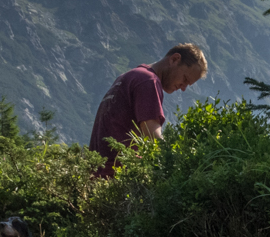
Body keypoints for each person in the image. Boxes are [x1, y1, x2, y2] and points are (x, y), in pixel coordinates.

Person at [88, 43, 208, 177]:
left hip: (95, 175)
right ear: (174, 59)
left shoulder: (127, 77)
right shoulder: (148, 81)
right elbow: (153, 138)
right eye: (185, 79)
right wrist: (183, 163)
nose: (183, 87)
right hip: (117, 176)